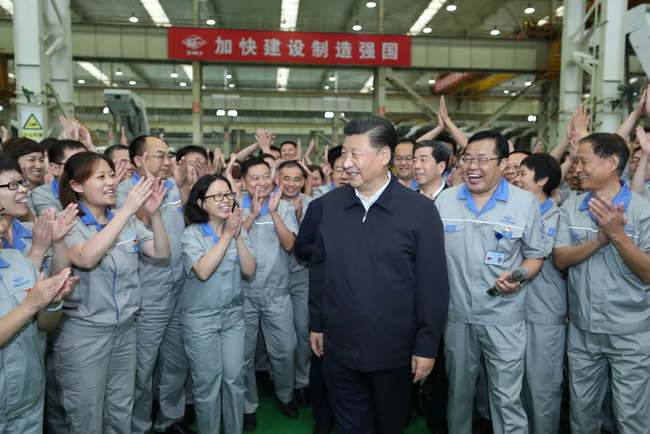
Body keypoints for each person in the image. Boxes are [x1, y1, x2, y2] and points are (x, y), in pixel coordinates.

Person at [309, 116, 449, 434]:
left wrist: (427, 346)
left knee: (390, 425)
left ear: (384, 155)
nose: (346, 163)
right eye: (345, 153)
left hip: (394, 353)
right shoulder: (328, 207)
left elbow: (433, 285)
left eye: (355, 154)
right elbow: (319, 270)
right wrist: (316, 323)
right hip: (339, 349)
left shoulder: (420, 211)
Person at [435, 130, 546, 434]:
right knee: (458, 395)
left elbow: (535, 255)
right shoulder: (444, 201)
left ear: (503, 163)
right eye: (468, 159)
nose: (473, 166)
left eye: (483, 160)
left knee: (506, 397)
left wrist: (518, 278)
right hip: (457, 317)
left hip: (504, 316)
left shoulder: (524, 203)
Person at [52, 151, 170, 433]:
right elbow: (86, 258)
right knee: (86, 416)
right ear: (77, 186)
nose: (111, 183)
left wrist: (154, 216)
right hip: (85, 335)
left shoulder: (122, 218)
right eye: (101, 177)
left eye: (111, 175)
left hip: (125, 332)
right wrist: (128, 209)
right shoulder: (68, 221)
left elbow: (161, 252)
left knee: (120, 410)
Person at [553, 132, 650, 433]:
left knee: (631, 416)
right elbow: (560, 259)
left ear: (611, 163)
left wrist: (618, 236)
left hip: (631, 332)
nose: (577, 168)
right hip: (583, 330)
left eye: (583, 161)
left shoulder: (641, 211)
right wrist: (599, 240)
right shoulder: (573, 206)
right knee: (582, 416)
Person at [117, 135, 190, 434]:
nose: (166, 161)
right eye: (158, 155)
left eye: (167, 155)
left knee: (176, 361)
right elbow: (134, 231)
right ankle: (139, 425)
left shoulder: (171, 187)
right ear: (138, 160)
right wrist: (148, 200)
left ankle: (169, 419)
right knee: (143, 367)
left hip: (180, 288)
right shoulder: (124, 190)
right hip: (149, 292)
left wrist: (182, 187)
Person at [181, 174, 256, 434]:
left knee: (235, 380)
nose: (226, 200)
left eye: (228, 194)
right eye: (218, 196)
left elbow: (249, 269)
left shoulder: (238, 231)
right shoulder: (191, 235)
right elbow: (202, 271)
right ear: (202, 203)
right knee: (207, 385)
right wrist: (226, 236)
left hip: (233, 318)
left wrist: (236, 236)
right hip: (200, 321)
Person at [0, 211, 78, 434]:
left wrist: (53, 303)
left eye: (1, 216)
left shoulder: (15, 259)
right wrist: (30, 305)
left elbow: (44, 324)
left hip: (27, 398)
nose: (2, 227)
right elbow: (29, 309)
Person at [238, 157, 300, 430]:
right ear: (243, 182)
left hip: (277, 293)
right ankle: (248, 405)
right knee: (243, 355)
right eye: (255, 178)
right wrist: (252, 213)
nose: (262, 183)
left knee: (286, 351)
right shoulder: (234, 206)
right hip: (242, 295)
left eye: (266, 177)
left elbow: (290, 245)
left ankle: (285, 395)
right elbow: (230, 240)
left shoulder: (283, 206)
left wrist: (273, 213)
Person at [513, 153, 566, 433]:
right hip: (513, 311)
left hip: (545, 313)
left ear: (543, 180)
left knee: (542, 387)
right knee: (514, 387)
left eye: (522, 173)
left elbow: (542, 253)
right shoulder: (514, 211)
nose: (516, 178)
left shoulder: (557, 217)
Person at [276, 160, 313, 407]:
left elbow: (312, 245)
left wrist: (300, 220)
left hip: (301, 277)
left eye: (297, 179)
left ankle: (303, 382)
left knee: (302, 332)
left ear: (303, 181)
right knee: (280, 340)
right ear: (277, 179)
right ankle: (279, 383)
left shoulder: (313, 205)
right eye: (286, 178)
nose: (291, 184)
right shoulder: (267, 205)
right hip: (273, 281)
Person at [30, 140, 86, 216]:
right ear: (55, 169)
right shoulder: (42, 194)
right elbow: (56, 222)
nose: (83, 169)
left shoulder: (92, 189)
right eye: (74, 164)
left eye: (86, 164)